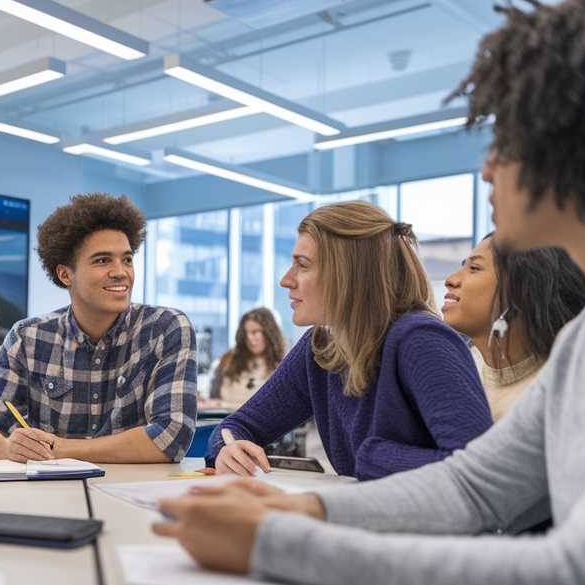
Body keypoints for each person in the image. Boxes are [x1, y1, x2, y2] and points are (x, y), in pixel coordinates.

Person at [155, 0, 585, 585]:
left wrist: (280, 542)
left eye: (505, 139)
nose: (486, 167)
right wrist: (306, 508)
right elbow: (473, 487)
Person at [208, 201, 492, 480]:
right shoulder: (320, 346)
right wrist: (229, 449)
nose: (286, 280)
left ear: (346, 274)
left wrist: (373, 458)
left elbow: (479, 469)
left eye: (302, 265)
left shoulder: (422, 341)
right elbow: (237, 425)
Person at [0, 193, 197, 464]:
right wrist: (5, 448)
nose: (121, 272)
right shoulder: (27, 337)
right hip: (53, 494)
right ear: (65, 274)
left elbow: (173, 436)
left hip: (132, 493)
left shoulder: (165, 329)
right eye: (103, 260)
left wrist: (59, 449)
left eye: (127, 259)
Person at [443, 234, 585, 421]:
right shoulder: (458, 371)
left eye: (474, 268)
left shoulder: (556, 395)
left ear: (520, 291)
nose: (450, 279)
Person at [205, 308, 287, 409]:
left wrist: (225, 405)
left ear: (269, 333)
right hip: (225, 421)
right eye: (246, 333)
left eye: (254, 332)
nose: (249, 338)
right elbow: (214, 398)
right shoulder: (228, 361)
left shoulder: (283, 366)